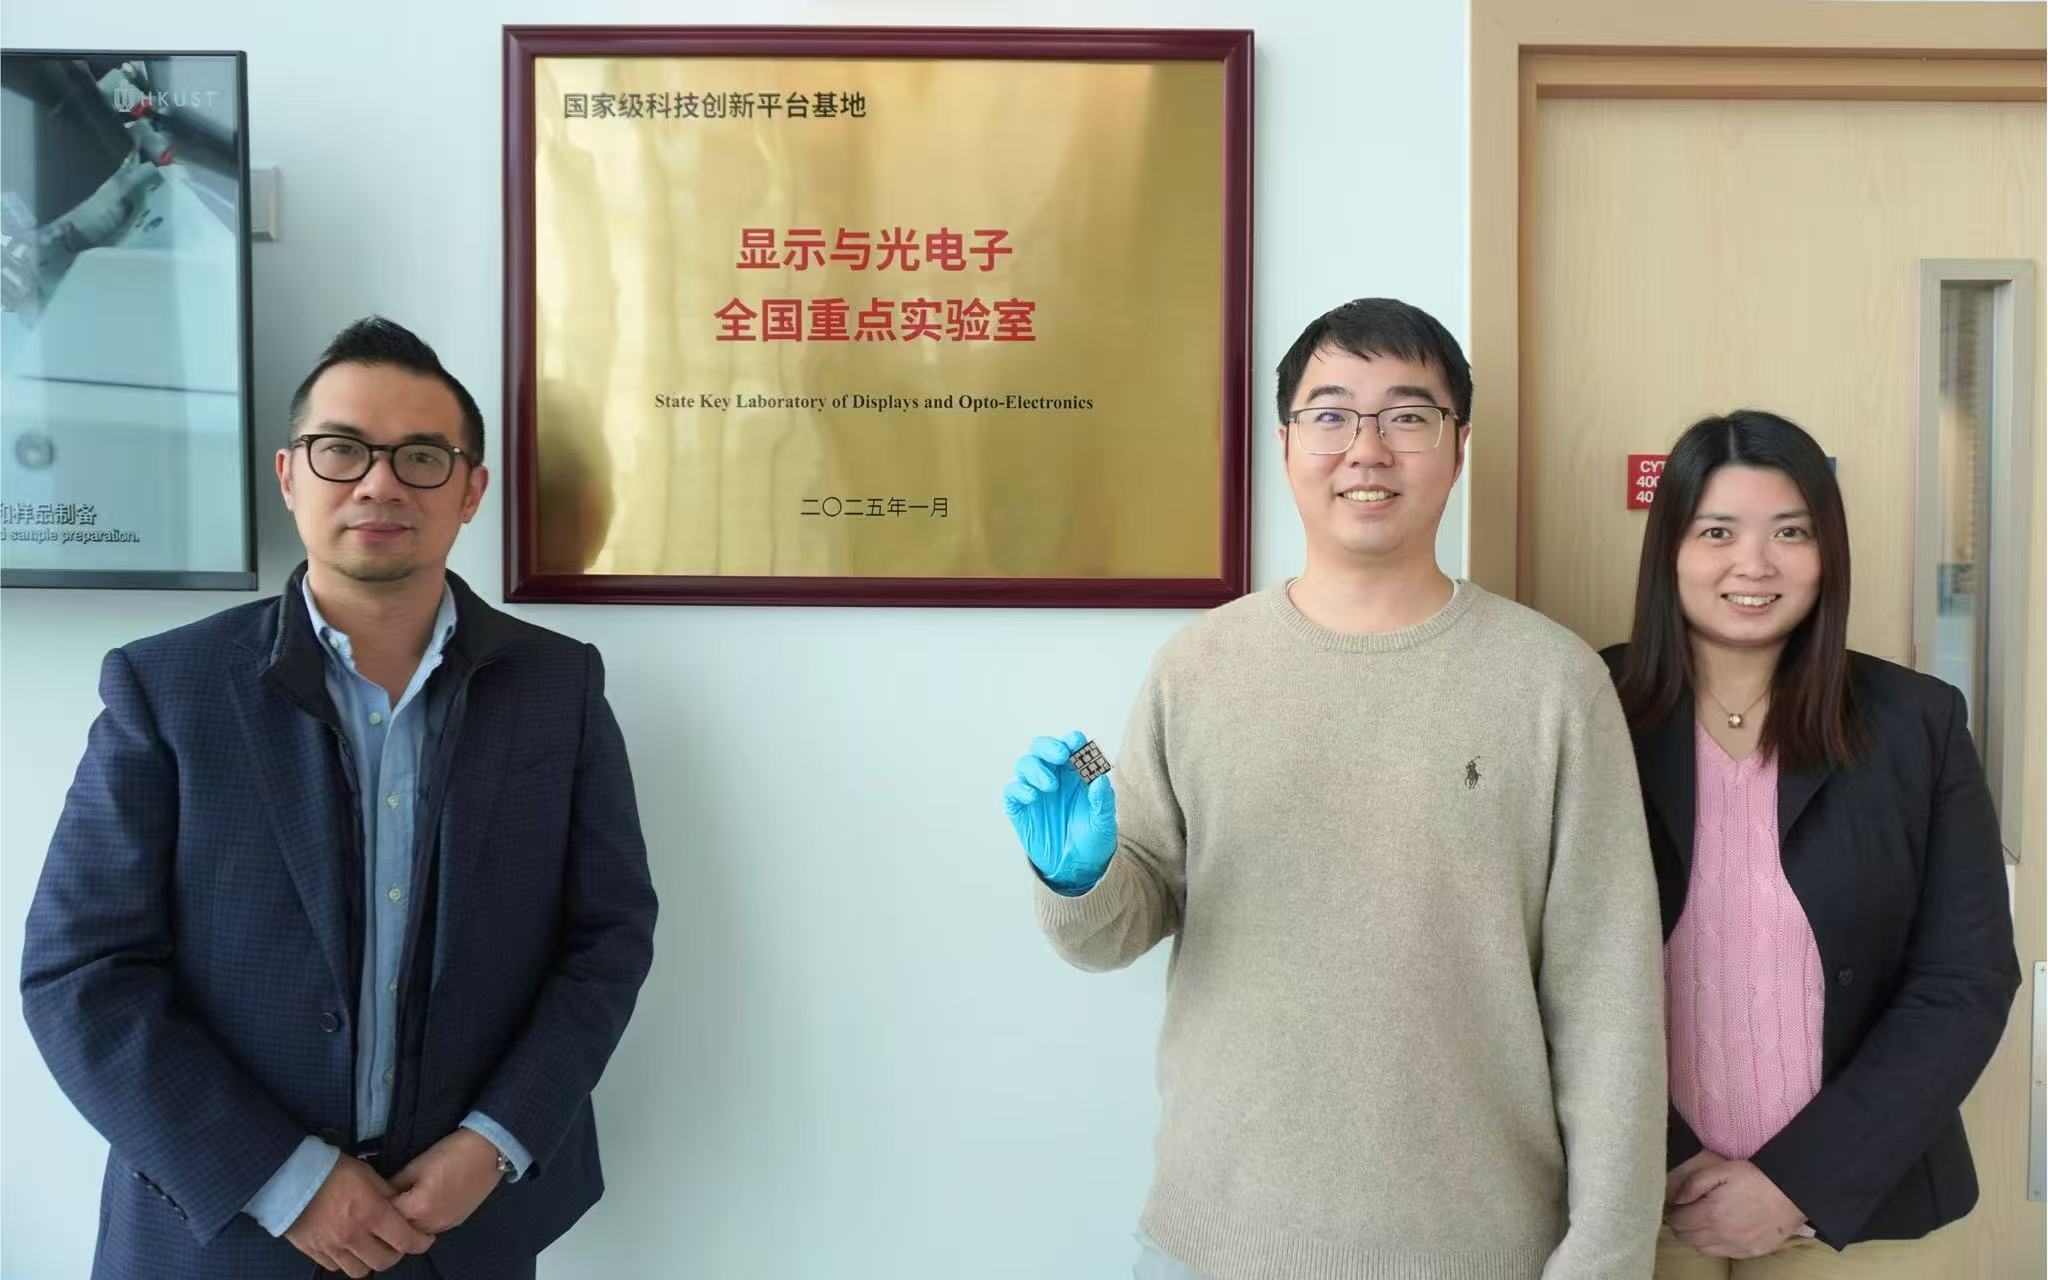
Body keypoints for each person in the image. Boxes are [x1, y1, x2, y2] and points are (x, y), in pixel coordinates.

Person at [1003, 298, 1666, 1279]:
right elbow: (1113, 933)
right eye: (1328, 414)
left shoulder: (1553, 680)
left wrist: (1603, 1256)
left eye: (1406, 414)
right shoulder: (1199, 664)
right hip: (1212, 1241)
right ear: (1283, 444)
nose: (1366, 447)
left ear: (1457, 443)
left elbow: (1608, 999)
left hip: (1479, 1249)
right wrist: (1079, 878)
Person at [21, 316, 659, 1279]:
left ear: (472, 489)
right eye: (342, 450)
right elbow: (80, 974)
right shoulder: (167, 689)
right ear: (290, 476)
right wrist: (282, 1179)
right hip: (220, 1235)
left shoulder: (558, 688)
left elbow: (606, 939)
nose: (379, 482)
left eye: (422, 457)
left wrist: (494, 1142)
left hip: (461, 1231)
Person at [1602, 410, 2020, 1277]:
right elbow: (1536, 968)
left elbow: (1965, 979)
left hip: (1853, 1210)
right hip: (1637, 1200)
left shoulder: (1917, 724)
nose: (1754, 564)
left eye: (1790, 532)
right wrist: (1677, 1161)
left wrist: (1798, 1182)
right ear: (1668, 550)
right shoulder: (1586, 707)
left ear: (1827, 551)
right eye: (1717, 531)